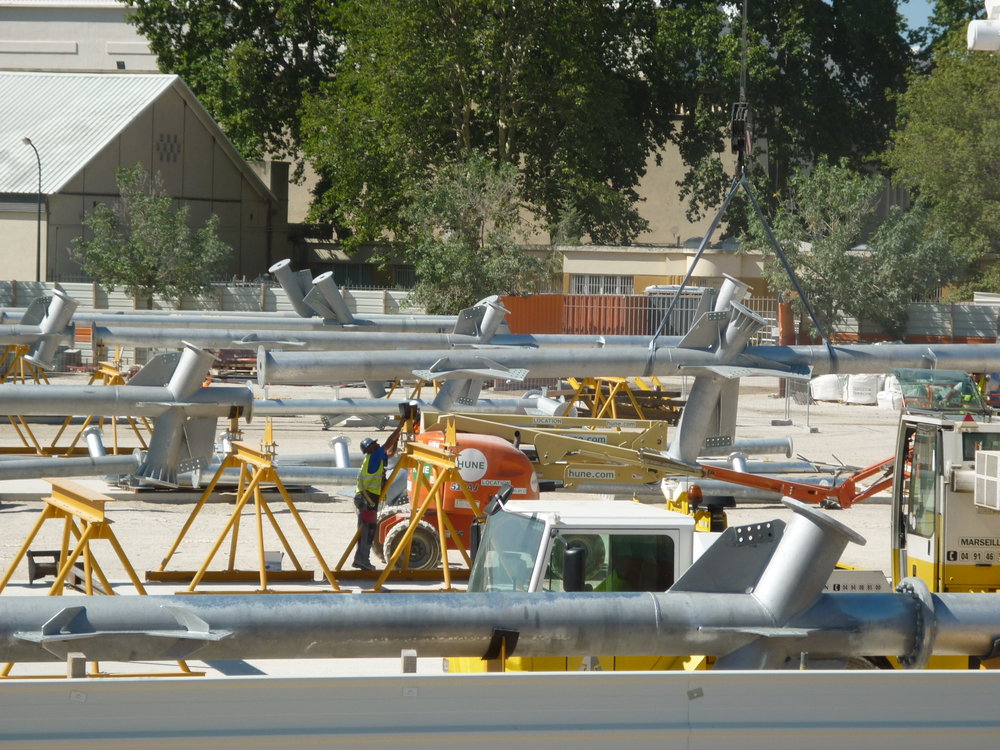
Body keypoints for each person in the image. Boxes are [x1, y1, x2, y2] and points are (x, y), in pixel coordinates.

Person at [353, 436, 389, 571]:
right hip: (367, 500)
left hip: (367, 500)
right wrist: (399, 429)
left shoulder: (375, 458)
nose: (377, 444)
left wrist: (398, 438)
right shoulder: (373, 457)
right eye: (375, 443)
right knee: (368, 531)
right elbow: (388, 444)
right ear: (370, 448)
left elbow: (390, 451)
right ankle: (362, 560)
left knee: (367, 530)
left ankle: (360, 560)